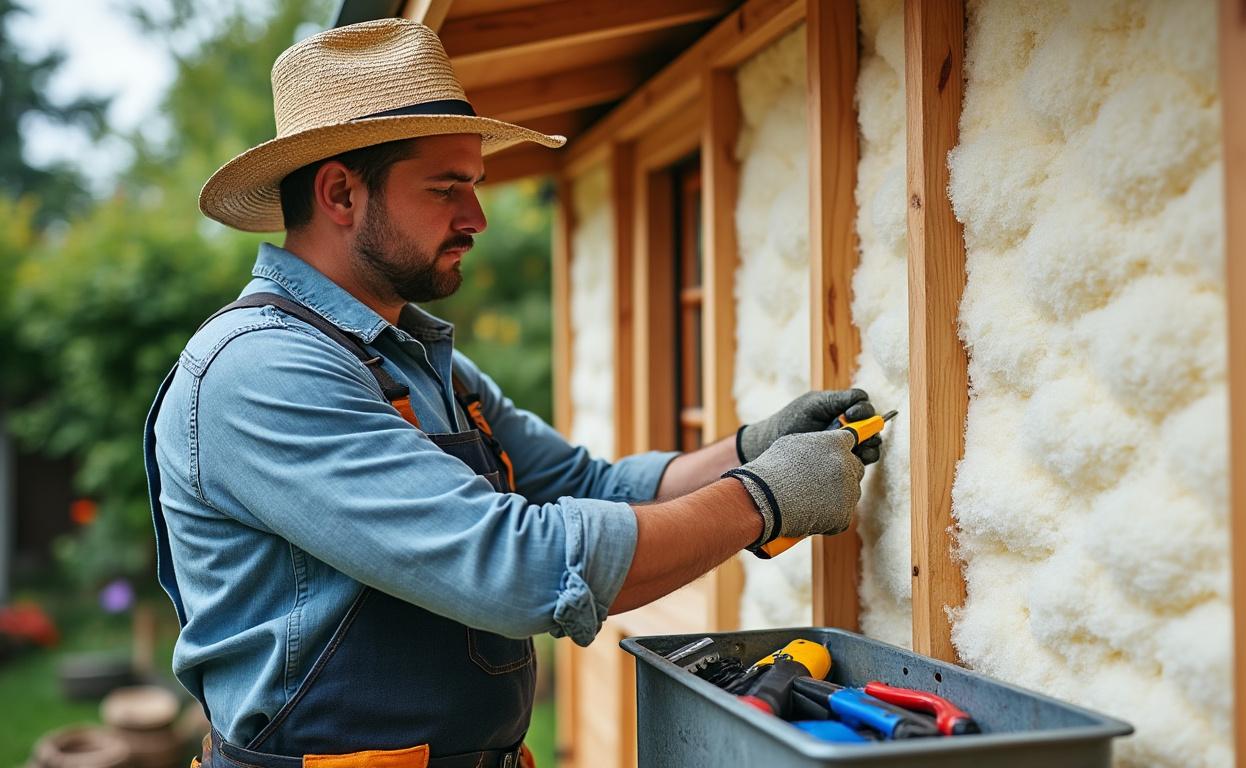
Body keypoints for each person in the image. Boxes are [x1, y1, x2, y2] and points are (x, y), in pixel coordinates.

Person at [144, 18, 880, 768]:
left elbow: (592, 484)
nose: (477, 218)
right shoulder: (260, 372)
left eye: (475, 186)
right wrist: (759, 499)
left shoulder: (428, 366)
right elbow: (518, 568)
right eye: (446, 188)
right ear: (340, 193)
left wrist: (750, 448)